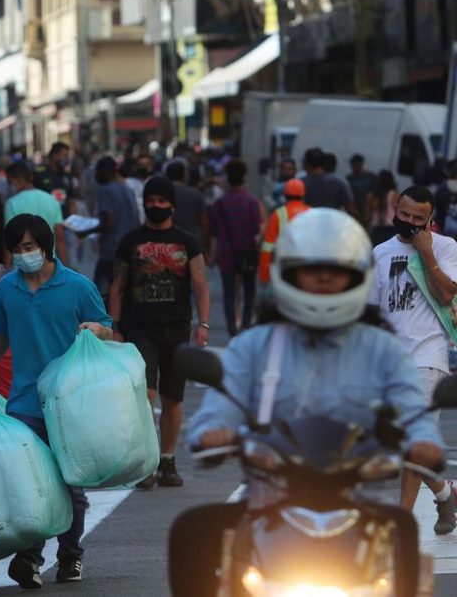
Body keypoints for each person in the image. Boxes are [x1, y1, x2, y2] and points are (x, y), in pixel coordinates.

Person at [176, 209, 445, 597]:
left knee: (401, 531)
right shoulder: (255, 346)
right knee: (191, 530)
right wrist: (212, 434)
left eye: (335, 272)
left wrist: (422, 443)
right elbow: (221, 405)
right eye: (311, 270)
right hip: (267, 502)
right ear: (289, 274)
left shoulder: (383, 350)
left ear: (355, 277)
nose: (323, 280)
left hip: (354, 502)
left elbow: (412, 409)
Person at [0, 213, 113, 588]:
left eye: (29, 247)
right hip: (25, 402)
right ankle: (29, 557)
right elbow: (0, 338)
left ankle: (70, 556)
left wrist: (98, 329)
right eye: (16, 250)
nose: (23, 255)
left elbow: (108, 329)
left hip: (71, 403)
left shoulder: (77, 287)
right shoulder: (7, 289)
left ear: (46, 246)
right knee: (31, 484)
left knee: (71, 485)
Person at [108, 176, 210, 489]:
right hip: (140, 329)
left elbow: (201, 285)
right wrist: (114, 327)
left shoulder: (188, 242)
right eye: (151, 201)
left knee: (172, 398)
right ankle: (148, 461)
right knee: (145, 396)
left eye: (161, 202)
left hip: (177, 329)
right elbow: (118, 287)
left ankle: (167, 460)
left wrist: (203, 325)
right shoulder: (130, 242)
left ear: (172, 206)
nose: (156, 207)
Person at [367, 185, 457, 530]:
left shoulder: (446, 247)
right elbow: (374, 313)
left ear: (430, 221)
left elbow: (448, 292)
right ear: (395, 208)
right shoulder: (380, 253)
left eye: (417, 219)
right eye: (403, 214)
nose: (407, 222)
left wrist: (426, 253)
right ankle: (444, 492)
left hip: (428, 357)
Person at [209, 159, 263, 336]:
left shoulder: (219, 204)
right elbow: (257, 229)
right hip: (248, 252)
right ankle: (246, 325)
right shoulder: (252, 202)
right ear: (244, 178)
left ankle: (232, 329)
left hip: (227, 254)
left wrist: (211, 255)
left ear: (227, 179)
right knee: (249, 292)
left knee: (229, 295)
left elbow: (214, 232)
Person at [93, 156, 141, 295]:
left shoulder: (106, 190)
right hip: (129, 250)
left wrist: (87, 231)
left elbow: (108, 222)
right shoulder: (129, 190)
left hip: (111, 250)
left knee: (99, 293)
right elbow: (137, 221)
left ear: (105, 172)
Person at [258, 179, 310, 286]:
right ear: (304, 194)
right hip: (307, 268)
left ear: (285, 195)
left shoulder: (278, 214)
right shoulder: (312, 212)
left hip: (284, 267)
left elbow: (268, 247)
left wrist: (264, 275)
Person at [302, 147, 355, 214]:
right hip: (333, 222)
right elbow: (350, 209)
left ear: (307, 164)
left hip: (310, 222)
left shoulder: (301, 183)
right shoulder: (339, 182)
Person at [165, 160, 207, 246]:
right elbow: (204, 220)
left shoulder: (161, 194)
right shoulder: (195, 193)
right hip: (192, 241)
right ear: (185, 175)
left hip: (168, 243)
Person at [35, 142, 76, 218]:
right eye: (64, 155)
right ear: (54, 155)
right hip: (45, 217)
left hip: (64, 217)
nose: (66, 159)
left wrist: (73, 217)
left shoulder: (67, 175)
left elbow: (71, 198)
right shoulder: (39, 173)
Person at [368, 170, 400, 246]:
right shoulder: (395, 194)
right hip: (391, 227)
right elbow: (398, 212)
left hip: (377, 228)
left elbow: (370, 212)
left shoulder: (373, 195)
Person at [347, 153, 376, 225]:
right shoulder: (349, 179)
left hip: (368, 212)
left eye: (355, 164)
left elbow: (374, 195)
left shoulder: (371, 177)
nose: (353, 167)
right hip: (354, 212)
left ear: (360, 164)